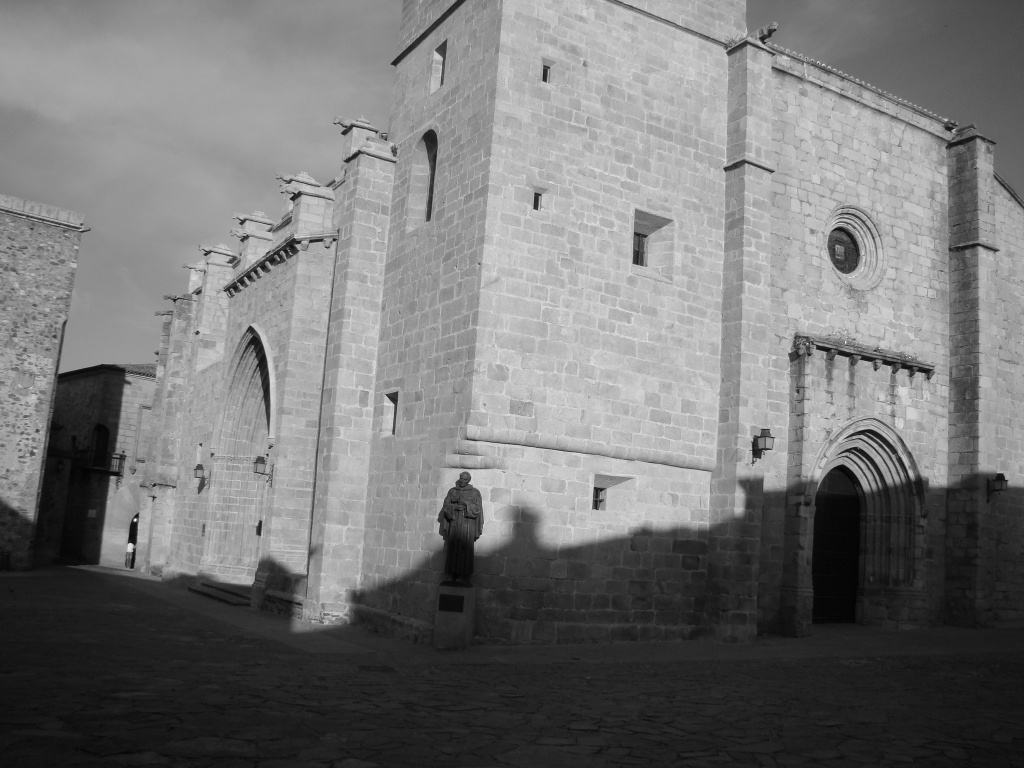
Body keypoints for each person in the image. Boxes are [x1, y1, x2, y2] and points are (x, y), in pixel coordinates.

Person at [438, 472, 484, 583]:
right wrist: (454, 507)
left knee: (465, 549)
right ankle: (452, 574)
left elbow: (477, 509)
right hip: (454, 524)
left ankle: (464, 576)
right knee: (453, 549)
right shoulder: (452, 491)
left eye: (465, 479)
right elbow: (446, 506)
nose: (462, 481)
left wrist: (465, 504)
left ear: (469, 480)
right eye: (461, 479)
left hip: (467, 525)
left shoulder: (474, 493)